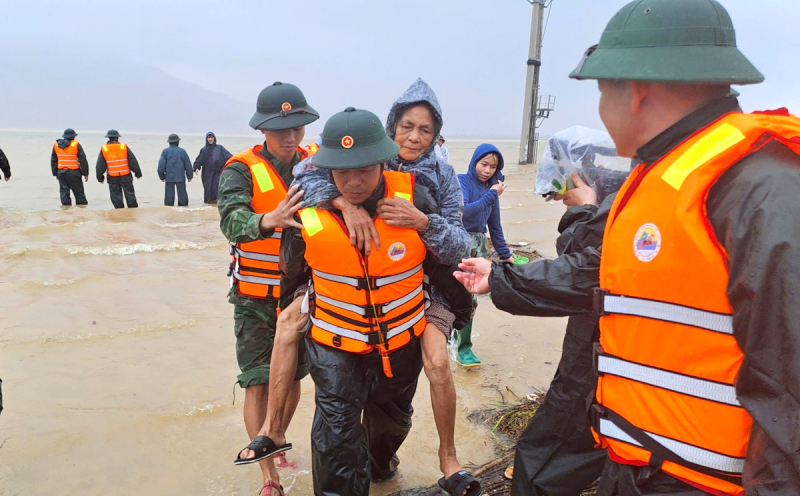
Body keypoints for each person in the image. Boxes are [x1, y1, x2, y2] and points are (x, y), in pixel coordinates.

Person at [459, 1, 800, 494]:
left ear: (635, 90)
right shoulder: (661, 175)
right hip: (639, 464)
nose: (601, 110)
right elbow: (604, 275)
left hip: (702, 482)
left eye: (601, 93)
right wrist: (504, 278)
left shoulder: (759, 188)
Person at [240, 79, 476, 494]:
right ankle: (274, 430)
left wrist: (422, 222)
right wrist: (342, 206)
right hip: (337, 341)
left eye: (364, 168)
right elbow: (292, 274)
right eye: (406, 126)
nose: (353, 180)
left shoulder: (428, 185)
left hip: (404, 328)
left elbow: (459, 247)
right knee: (335, 437)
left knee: (390, 426)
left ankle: (402, 464)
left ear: (382, 161)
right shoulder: (312, 197)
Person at [219, 81, 319, 496]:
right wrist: (267, 220)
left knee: (293, 378)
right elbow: (230, 220)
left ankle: (276, 437)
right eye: (281, 128)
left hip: (300, 295)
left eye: (297, 126)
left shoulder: (316, 163)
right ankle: (269, 479)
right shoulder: (239, 169)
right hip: (254, 298)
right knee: (258, 380)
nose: (290, 135)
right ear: (263, 128)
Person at [453, 144, 513, 368]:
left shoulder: (492, 191)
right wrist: (491, 195)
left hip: (478, 246)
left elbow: (494, 226)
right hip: (457, 242)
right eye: (483, 164)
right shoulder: (463, 181)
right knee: (452, 293)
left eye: (493, 167)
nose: (487, 170)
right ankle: (450, 335)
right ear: (474, 162)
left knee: (470, 297)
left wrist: (506, 255)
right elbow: (465, 211)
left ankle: (464, 348)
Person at [95, 129, 142, 208]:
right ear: (117, 138)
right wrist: (137, 172)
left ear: (108, 138)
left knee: (116, 197)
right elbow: (132, 160)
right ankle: (132, 213)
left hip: (112, 176)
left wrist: (100, 177)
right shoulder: (123, 147)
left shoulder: (104, 149)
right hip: (126, 175)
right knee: (130, 195)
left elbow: (100, 165)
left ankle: (119, 214)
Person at [51, 128, 89, 206]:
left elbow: (53, 160)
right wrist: (85, 173)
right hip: (74, 173)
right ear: (73, 137)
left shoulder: (56, 145)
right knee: (79, 193)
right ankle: (82, 211)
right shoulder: (76, 144)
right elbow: (83, 159)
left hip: (61, 172)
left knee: (64, 192)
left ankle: (66, 211)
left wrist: (55, 173)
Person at [193, 132, 232, 204]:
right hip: (207, 174)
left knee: (217, 190)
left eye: (211, 137)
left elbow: (229, 157)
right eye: (209, 137)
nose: (210, 139)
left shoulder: (220, 148)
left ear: (214, 138)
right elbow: (199, 160)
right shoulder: (204, 150)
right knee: (208, 192)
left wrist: (234, 164)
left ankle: (217, 207)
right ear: (206, 139)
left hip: (218, 173)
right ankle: (208, 207)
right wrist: (196, 167)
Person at [157, 134, 194, 206]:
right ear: (178, 142)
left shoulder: (165, 152)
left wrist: (161, 176)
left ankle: (169, 211)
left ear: (169, 142)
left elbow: (161, 166)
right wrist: (190, 176)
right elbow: (188, 165)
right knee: (182, 197)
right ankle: (183, 209)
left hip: (169, 177)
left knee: (169, 198)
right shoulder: (182, 152)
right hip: (180, 177)